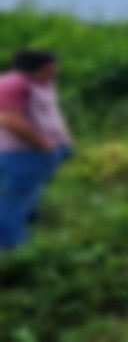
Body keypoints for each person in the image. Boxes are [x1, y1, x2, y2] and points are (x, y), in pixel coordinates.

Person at [0, 50, 71, 249]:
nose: (57, 69)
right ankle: (10, 244)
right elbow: (7, 118)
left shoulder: (39, 83)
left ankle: (24, 225)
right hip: (22, 152)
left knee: (28, 194)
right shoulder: (14, 83)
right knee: (17, 195)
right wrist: (42, 142)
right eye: (53, 65)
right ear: (41, 66)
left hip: (38, 153)